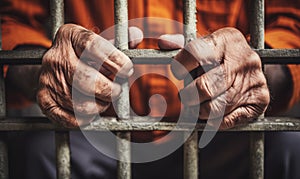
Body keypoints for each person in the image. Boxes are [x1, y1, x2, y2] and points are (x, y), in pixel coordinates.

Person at [1, 0, 299, 178]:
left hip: (220, 137)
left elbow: (290, 23)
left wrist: (256, 72)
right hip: (96, 134)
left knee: (288, 146)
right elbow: (11, 21)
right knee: (40, 152)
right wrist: (44, 71)